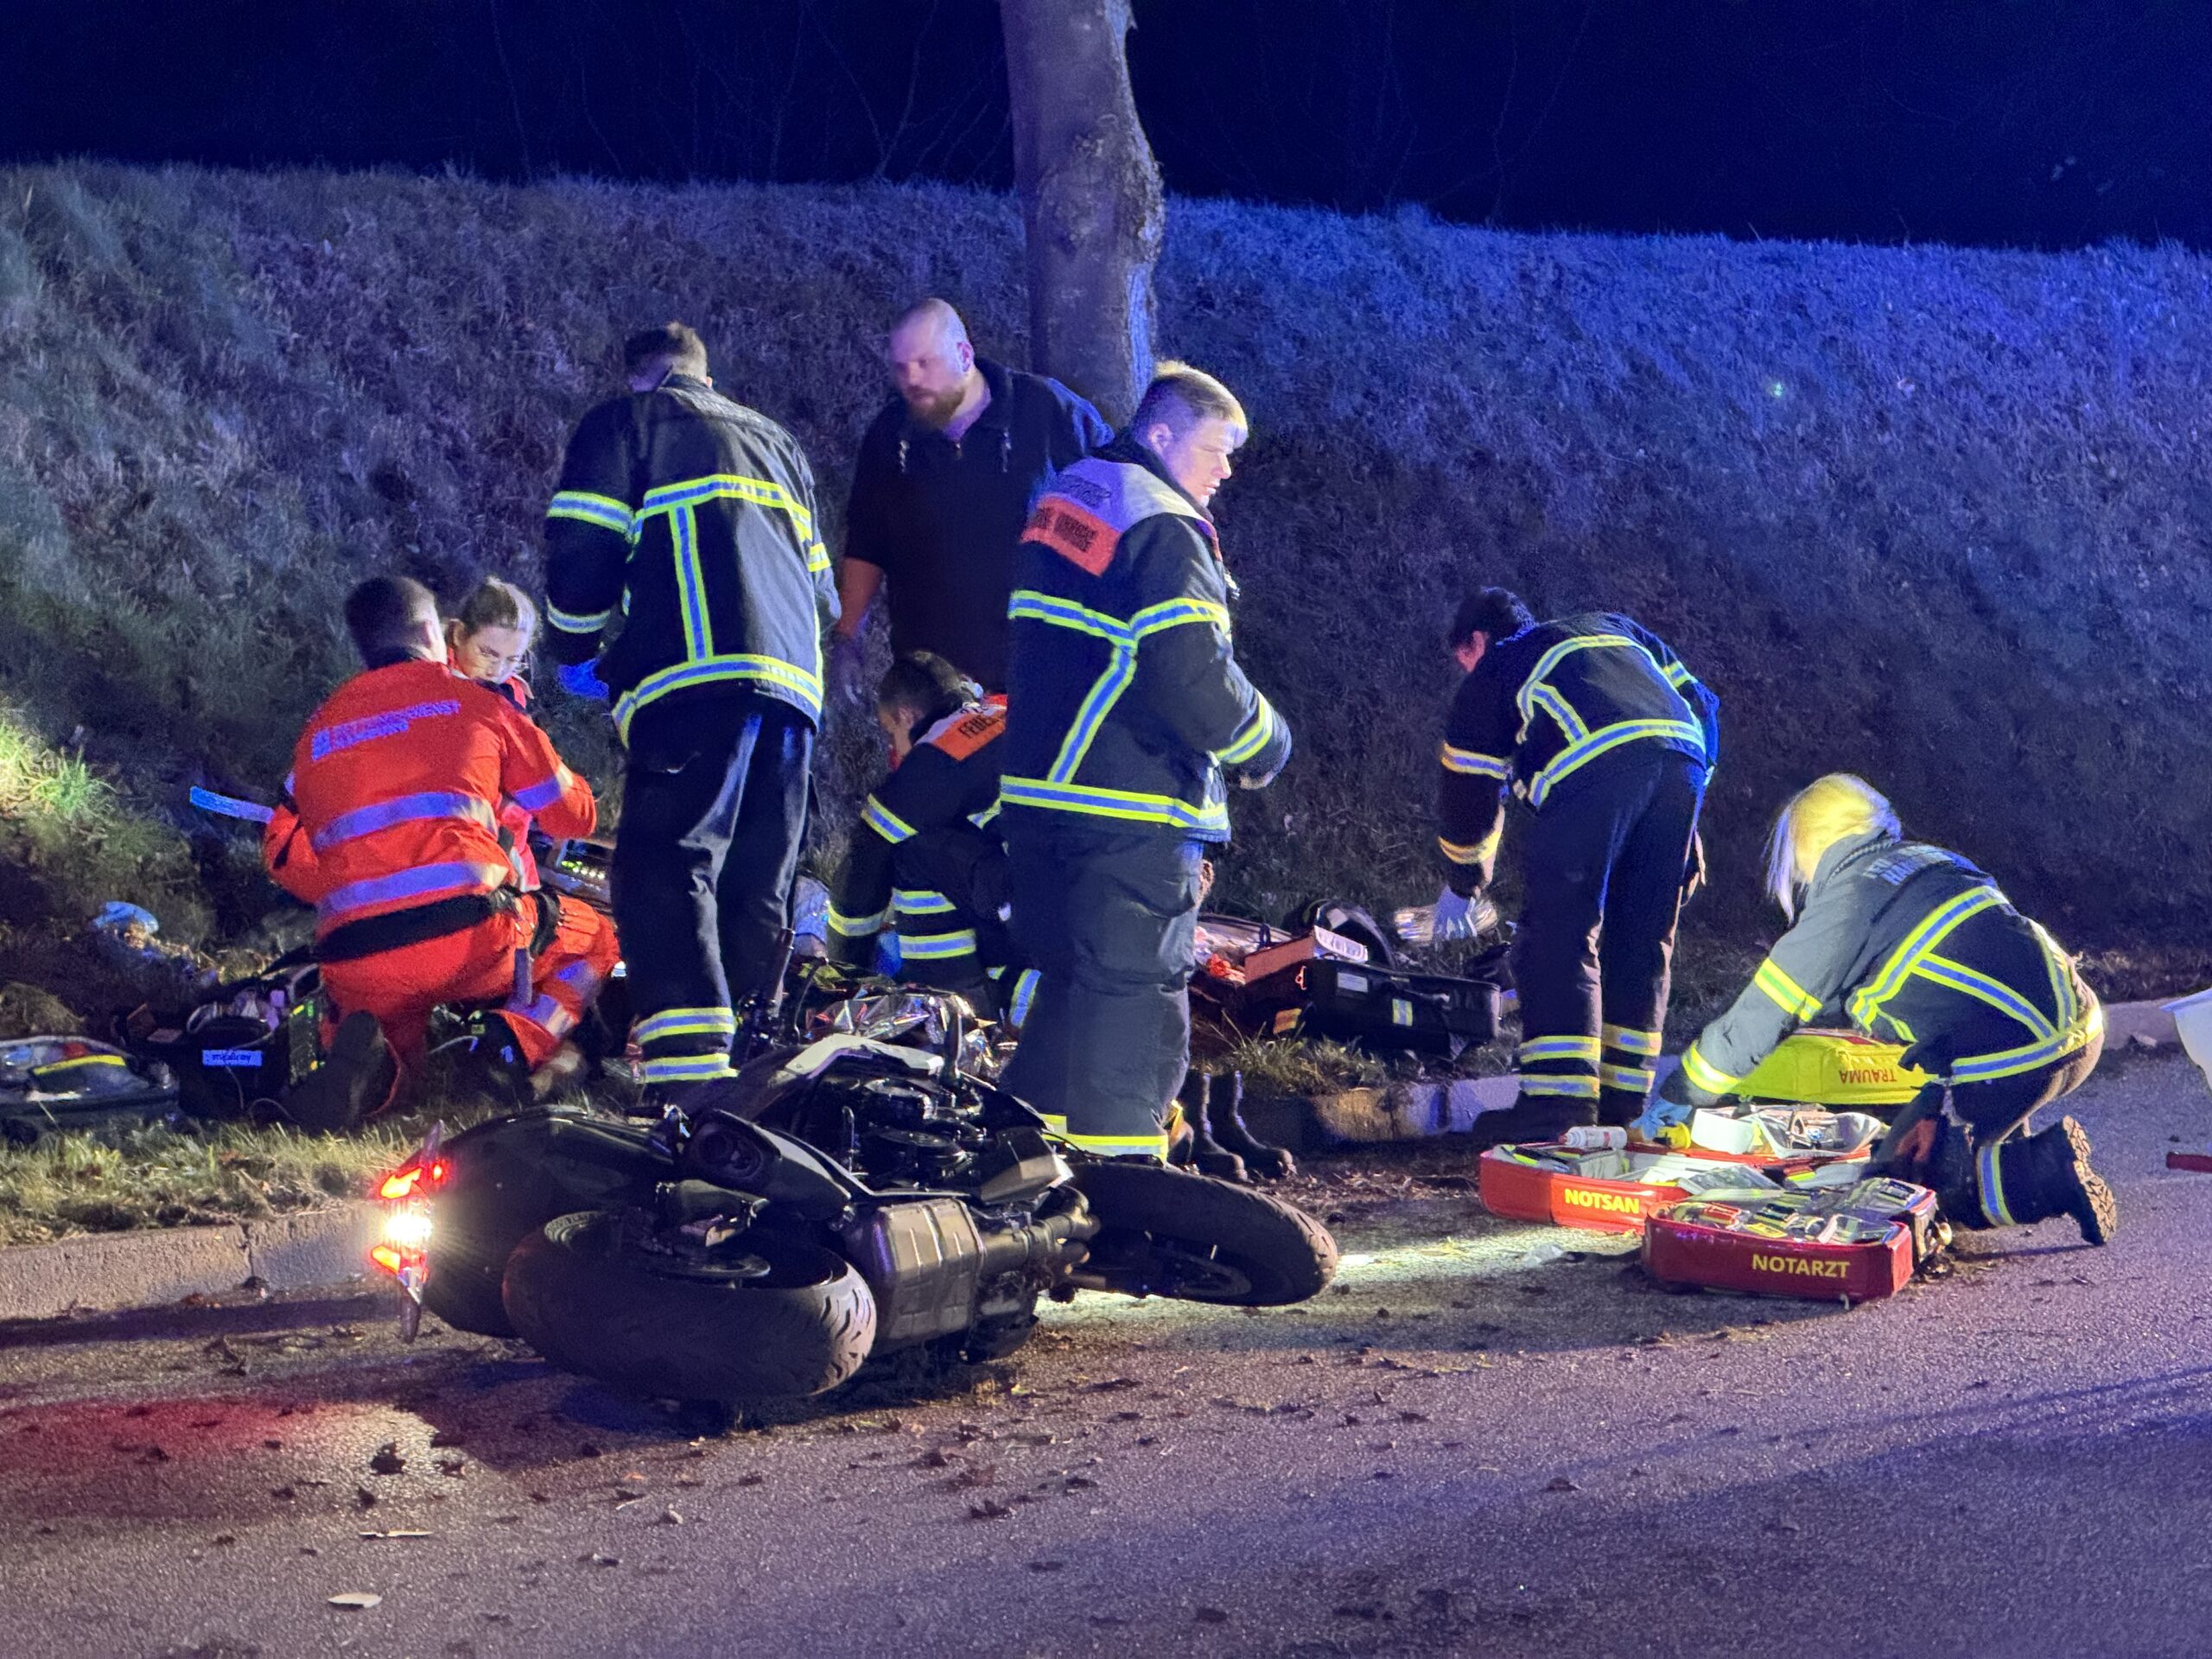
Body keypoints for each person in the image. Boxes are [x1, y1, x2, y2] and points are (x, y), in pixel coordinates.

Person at [998, 362, 1292, 1159]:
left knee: (1070, 990)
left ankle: (1026, 1176)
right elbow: (1191, 674)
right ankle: (1122, 1186)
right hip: (1129, 803)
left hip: (1040, 797)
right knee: (1131, 997)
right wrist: (1266, 741)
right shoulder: (1161, 524)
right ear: (1161, 435)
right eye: (1217, 447)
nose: (1228, 468)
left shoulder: (1070, 498)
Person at [543, 321, 838, 1097]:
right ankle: (753, 1070)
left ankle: (688, 1077)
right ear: (705, 375)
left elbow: (583, 548)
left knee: (665, 863)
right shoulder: (781, 446)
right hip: (794, 698)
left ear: (643, 378)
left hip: (691, 677)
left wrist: (573, 650)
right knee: (755, 879)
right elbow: (824, 594)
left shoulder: (627, 423)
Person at [1637, 774, 2113, 1243]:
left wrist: (1676, 1099)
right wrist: (1934, 1105)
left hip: (2012, 1055)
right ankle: (2001, 1153)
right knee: (1886, 1163)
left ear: (1809, 844)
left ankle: (2049, 1173)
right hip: (2073, 1029)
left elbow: (1752, 1026)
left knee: (1903, 1194)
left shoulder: (1848, 902)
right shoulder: (1932, 861)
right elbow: (1973, 990)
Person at [264, 576, 619, 1127]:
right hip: (470, 937)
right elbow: (573, 816)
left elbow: (284, 857)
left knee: (400, 1055)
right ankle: (509, 1044)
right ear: (437, 631)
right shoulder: (480, 706)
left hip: (357, 956)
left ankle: (375, 1077)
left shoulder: (318, 734)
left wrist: (369, 885)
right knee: (596, 937)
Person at [1432, 588, 1718, 1141]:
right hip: (1682, 764)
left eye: (1463, 658)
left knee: (1559, 933)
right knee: (1640, 938)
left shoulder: (1501, 666)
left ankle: (1556, 1107)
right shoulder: (1614, 627)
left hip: (1593, 766)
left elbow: (1468, 789)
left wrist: (1465, 881)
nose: (1465, 672)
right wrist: (1690, 813)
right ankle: (1621, 1105)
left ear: (1478, 641)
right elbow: (1701, 704)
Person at [835, 298, 1111, 694]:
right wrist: (847, 638)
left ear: (964, 355)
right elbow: (867, 543)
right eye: (900, 367)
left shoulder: (1047, 411)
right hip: (934, 685)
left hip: (1043, 674)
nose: (910, 380)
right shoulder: (890, 436)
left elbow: (1117, 502)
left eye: (924, 363)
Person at [825, 652, 1033, 1022]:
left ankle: (952, 1009)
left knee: (910, 848)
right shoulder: (999, 715)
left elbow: (863, 862)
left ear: (906, 716)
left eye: (891, 734)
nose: (894, 749)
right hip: (1065, 904)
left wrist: (842, 973)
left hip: (1026, 908)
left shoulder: (938, 753)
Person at [447, 575, 548, 890]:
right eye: (488, 653)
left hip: (507, 849)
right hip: (455, 852)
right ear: (460, 634)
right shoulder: (432, 690)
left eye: (512, 660)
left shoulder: (512, 695)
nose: (497, 670)